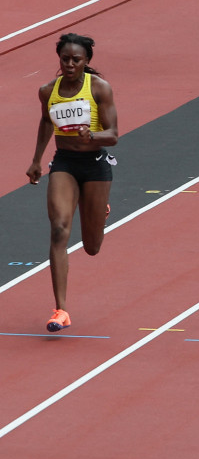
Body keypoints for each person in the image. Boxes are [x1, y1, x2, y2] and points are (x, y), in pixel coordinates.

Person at [26, 33, 118, 332]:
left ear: (86, 61)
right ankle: (61, 310)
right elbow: (45, 122)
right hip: (64, 164)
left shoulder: (99, 88)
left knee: (92, 247)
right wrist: (37, 160)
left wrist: (92, 136)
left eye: (76, 60)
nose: (69, 64)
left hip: (94, 166)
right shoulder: (47, 91)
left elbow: (114, 134)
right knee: (59, 229)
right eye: (64, 59)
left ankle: (97, 212)